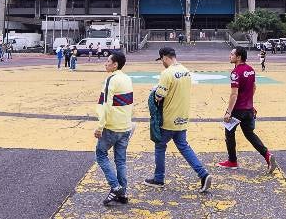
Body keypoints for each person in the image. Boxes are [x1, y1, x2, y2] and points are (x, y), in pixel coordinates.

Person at [145, 47, 212, 192]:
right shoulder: (186, 71)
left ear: (164, 57)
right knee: (184, 147)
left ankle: (158, 179)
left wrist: (154, 90)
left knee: (160, 146)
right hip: (182, 117)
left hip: (169, 118)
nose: (162, 62)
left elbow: (158, 97)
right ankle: (203, 174)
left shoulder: (166, 73)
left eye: (161, 60)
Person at [217, 46, 276, 173]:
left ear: (238, 57)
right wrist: (249, 103)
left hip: (237, 110)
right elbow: (254, 88)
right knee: (250, 134)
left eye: (232, 54)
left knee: (229, 133)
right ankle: (267, 155)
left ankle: (232, 161)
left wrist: (228, 112)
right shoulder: (251, 70)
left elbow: (234, 94)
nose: (230, 56)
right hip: (249, 109)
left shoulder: (235, 73)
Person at [94, 51, 134, 206]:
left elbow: (106, 105)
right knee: (121, 160)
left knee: (101, 155)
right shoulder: (127, 78)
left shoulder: (111, 80)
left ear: (115, 64)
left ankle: (115, 186)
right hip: (125, 126)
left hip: (112, 127)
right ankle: (122, 193)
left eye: (108, 61)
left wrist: (100, 126)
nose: (105, 63)